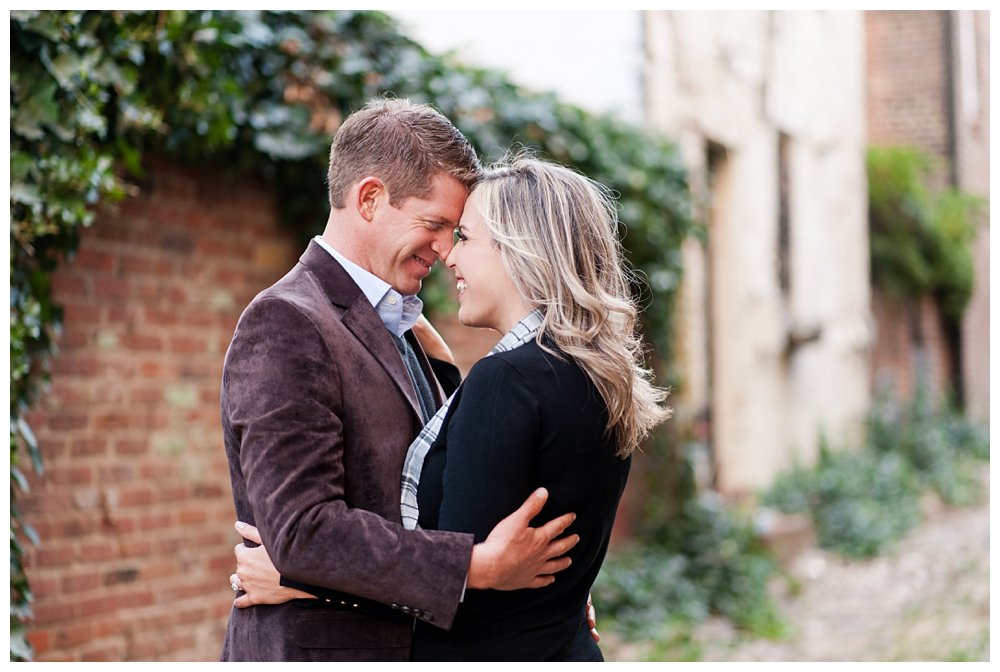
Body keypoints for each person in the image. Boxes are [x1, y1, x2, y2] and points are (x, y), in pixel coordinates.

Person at [232, 155, 671, 660]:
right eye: (439, 228)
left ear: (518, 251)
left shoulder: (509, 380)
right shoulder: (591, 373)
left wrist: (304, 583)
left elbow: (473, 589)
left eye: (462, 236)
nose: (449, 255)